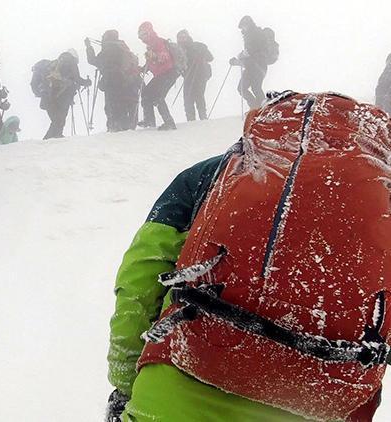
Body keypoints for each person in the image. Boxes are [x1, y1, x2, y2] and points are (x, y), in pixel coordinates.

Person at [106, 92, 386, 422]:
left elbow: (140, 276)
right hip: (318, 406)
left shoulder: (209, 175)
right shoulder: (381, 201)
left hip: (178, 384)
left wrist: (124, 382)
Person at [85, 30, 140, 132]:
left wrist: (89, 47)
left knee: (112, 107)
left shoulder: (109, 49)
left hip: (112, 81)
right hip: (126, 82)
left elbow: (93, 60)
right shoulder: (123, 48)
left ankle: (114, 128)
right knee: (121, 106)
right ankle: (125, 127)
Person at [42, 49, 92, 140]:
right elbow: (77, 78)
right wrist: (87, 82)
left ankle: (53, 136)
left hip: (53, 94)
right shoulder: (71, 61)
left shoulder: (58, 62)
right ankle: (51, 137)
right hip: (63, 94)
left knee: (57, 119)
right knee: (60, 117)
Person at [137, 22, 178, 131]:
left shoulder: (158, 42)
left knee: (158, 96)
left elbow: (163, 58)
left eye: (142, 35)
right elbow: (155, 61)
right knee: (146, 93)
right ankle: (149, 120)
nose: (141, 39)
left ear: (148, 33)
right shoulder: (151, 45)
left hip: (168, 73)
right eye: (140, 36)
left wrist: (153, 56)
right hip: (161, 74)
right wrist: (144, 67)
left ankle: (169, 123)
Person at [229, 16, 269, 109]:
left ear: (248, 25)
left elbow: (250, 52)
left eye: (243, 26)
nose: (242, 29)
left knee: (248, 88)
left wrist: (238, 59)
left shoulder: (253, 34)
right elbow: (250, 52)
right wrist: (240, 59)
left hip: (256, 66)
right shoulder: (254, 34)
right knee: (253, 88)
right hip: (258, 66)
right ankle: (259, 108)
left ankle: (259, 108)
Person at [176, 30, 213, 121]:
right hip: (189, 76)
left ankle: (202, 118)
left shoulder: (198, 46)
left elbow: (210, 57)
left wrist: (201, 57)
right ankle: (192, 120)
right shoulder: (179, 50)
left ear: (188, 37)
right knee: (189, 98)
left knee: (197, 96)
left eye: (183, 37)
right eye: (180, 38)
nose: (182, 40)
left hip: (200, 74)